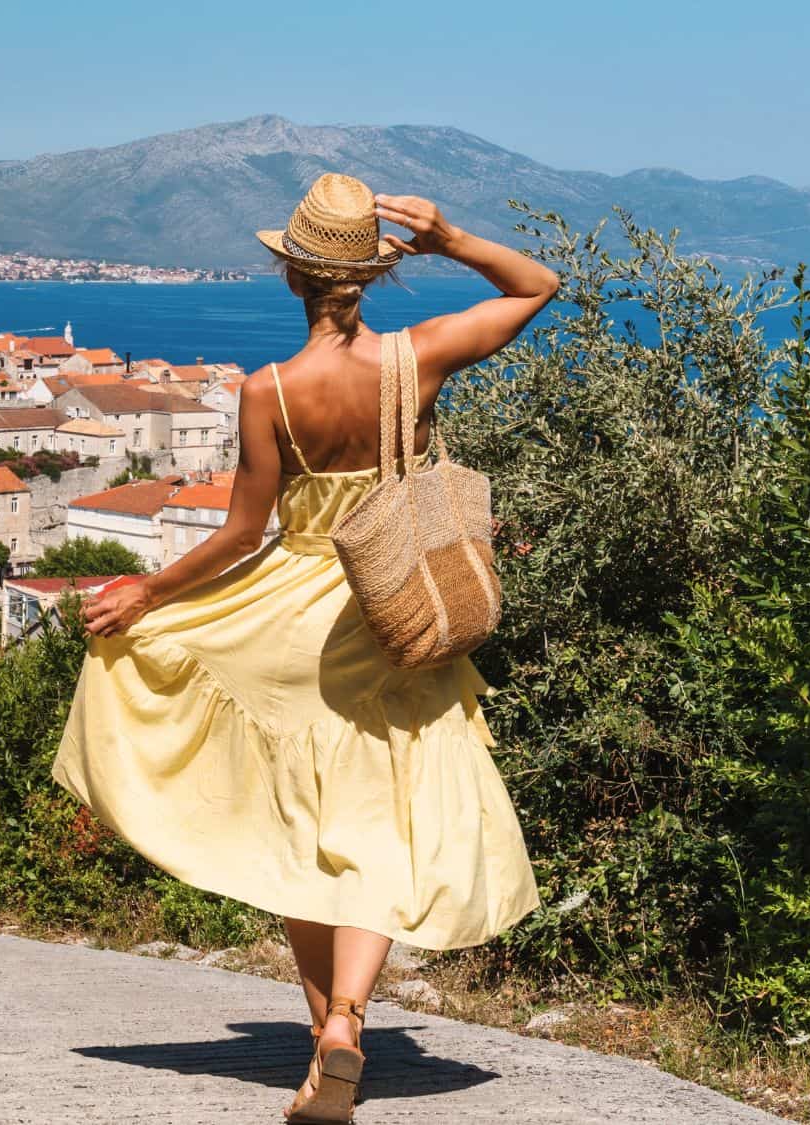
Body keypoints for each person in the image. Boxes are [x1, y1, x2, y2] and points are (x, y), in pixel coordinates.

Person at [51, 173, 558, 1124]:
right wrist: (449, 236)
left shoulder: (266, 392)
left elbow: (245, 534)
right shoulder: (420, 356)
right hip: (396, 609)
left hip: (294, 617)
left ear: (292, 277)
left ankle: (329, 1033)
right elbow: (536, 286)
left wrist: (148, 592)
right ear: (373, 274)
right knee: (377, 826)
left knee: (292, 827)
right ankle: (349, 1023)